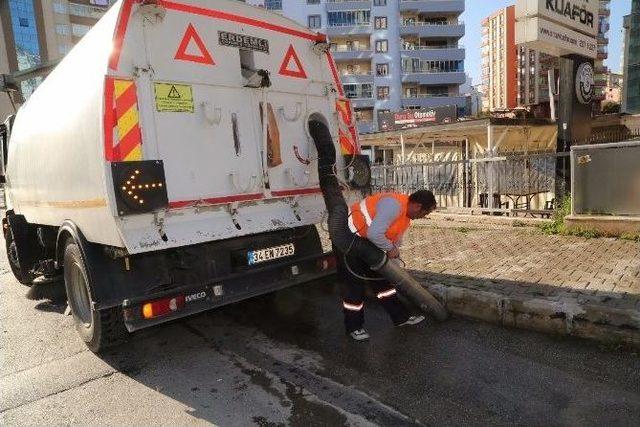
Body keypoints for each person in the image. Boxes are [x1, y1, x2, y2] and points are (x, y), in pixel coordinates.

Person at [337, 190, 437, 341]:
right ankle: (354, 327)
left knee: (382, 281)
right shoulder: (393, 206)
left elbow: (395, 242)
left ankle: (401, 317)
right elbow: (375, 233)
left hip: (366, 241)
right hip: (348, 238)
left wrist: (395, 266)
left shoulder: (406, 217)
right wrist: (390, 249)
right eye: (424, 214)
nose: (423, 217)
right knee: (354, 286)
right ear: (417, 206)